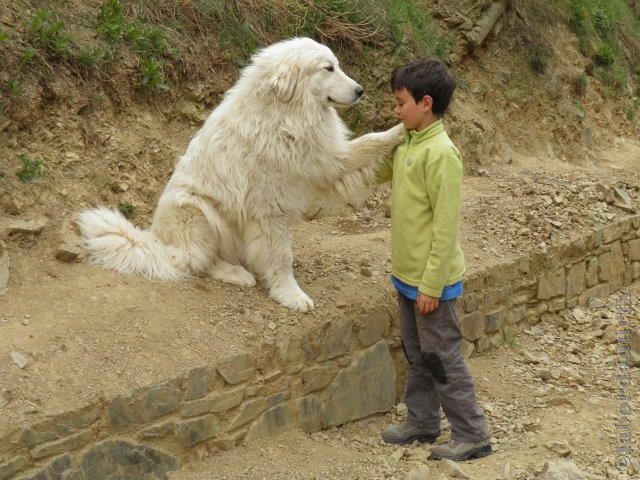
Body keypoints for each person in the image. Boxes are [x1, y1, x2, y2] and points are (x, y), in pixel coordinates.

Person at [377, 57, 491, 461]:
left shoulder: (442, 154)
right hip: (406, 279)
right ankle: (422, 422)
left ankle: (472, 434)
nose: (396, 110)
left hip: (432, 286)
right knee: (416, 353)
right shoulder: (407, 141)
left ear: (425, 103)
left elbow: (446, 228)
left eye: (400, 102)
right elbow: (374, 171)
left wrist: (431, 286)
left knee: (441, 358)